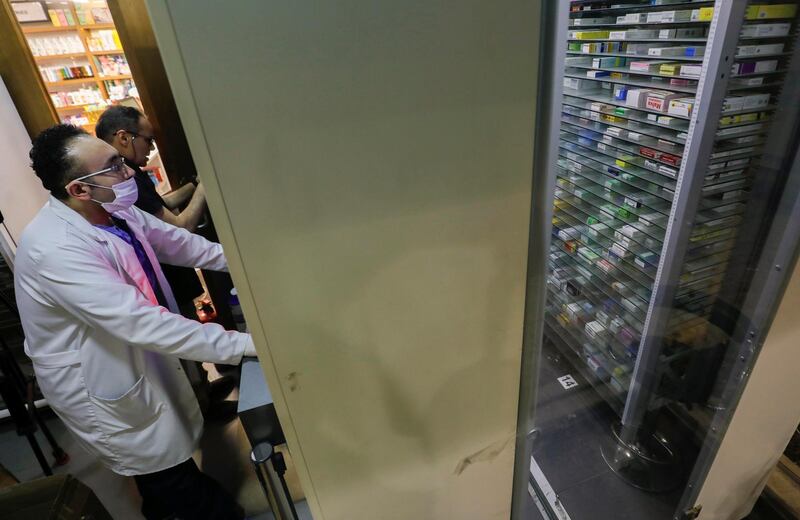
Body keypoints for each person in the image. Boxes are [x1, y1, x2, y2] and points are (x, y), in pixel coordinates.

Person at [15, 124, 253, 520]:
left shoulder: (113, 210)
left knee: (168, 454)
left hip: (128, 351)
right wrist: (247, 344)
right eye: (114, 167)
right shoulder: (53, 248)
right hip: (94, 375)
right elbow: (141, 322)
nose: (129, 174)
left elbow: (183, 245)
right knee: (160, 466)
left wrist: (249, 263)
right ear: (78, 190)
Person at [96, 105, 236, 418]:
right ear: (123, 137)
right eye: (148, 140)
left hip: (169, 275)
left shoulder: (133, 178)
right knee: (182, 343)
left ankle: (204, 391)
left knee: (187, 333)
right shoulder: (120, 182)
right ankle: (201, 407)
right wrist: (206, 186)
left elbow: (160, 210)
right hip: (161, 278)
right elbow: (180, 227)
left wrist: (191, 185)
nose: (151, 148)